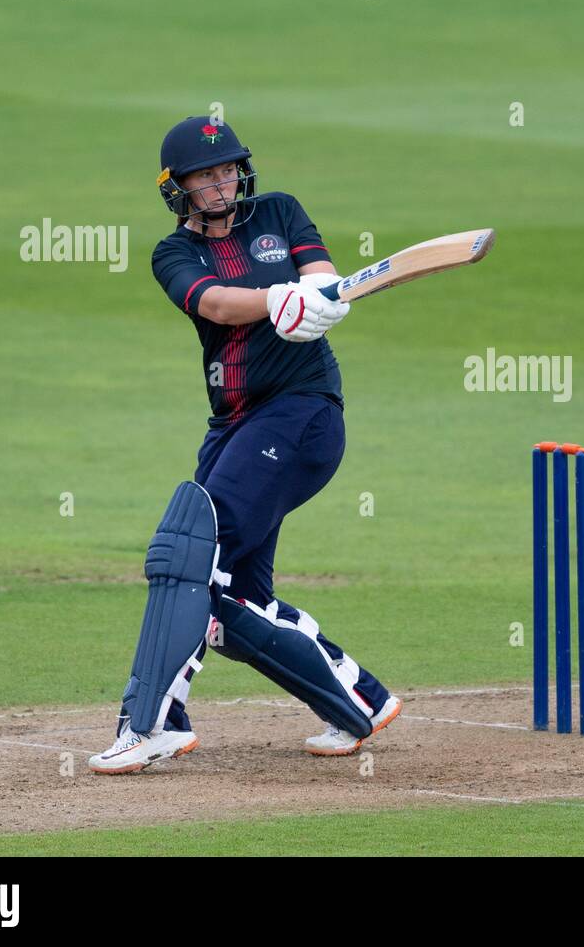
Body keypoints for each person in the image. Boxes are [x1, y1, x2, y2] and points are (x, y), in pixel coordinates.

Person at [89, 116, 401, 774]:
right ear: (178, 188)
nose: (222, 182)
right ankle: (358, 700)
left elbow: (323, 275)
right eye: (206, 175)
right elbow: (221, 305)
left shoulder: (280, 212)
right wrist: (277, 298)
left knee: (187, 558)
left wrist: (318, 298)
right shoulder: (172, 254)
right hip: (234, 425)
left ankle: (151, 721)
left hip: (303, 413)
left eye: (228, 168)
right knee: (232, 602)